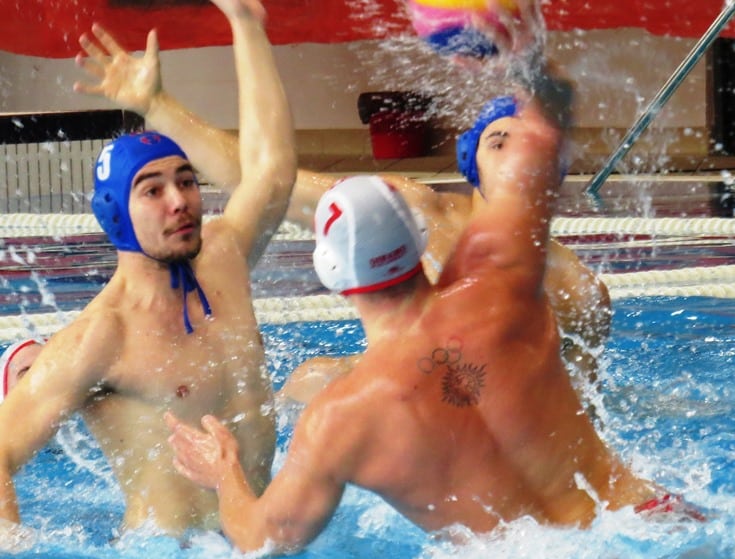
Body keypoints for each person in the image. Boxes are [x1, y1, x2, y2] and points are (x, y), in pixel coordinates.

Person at [165, 93, 702, 556]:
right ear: (420, 241)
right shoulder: (512, 286)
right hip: (653, 522)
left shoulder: (338, 420)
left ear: (329, 272)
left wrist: (225, 473)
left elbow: (263, 539)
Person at [71, 23, 610, 407]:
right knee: (313, 380)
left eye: (532, 146)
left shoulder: (579, 291)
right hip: (382, 416)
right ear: (471, 162)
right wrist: (158, 105)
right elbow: (258, 180)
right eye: (499, 142)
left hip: (469, 439)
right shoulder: (406, 210)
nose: (518, 155)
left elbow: (583, 416)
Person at [0, 0, 296, 542]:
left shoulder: (223, 257)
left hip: (262, 541)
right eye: (152, 191)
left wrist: (246, 24)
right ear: (116, 214)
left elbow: (273, 174)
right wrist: (13, 550)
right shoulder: (100, 338)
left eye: (186, 180)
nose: (180, 200)